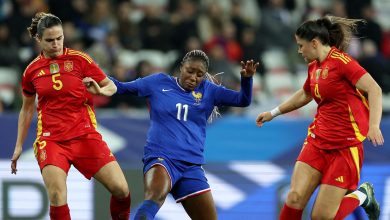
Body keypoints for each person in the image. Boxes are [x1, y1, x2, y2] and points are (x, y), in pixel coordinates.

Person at [85, 50, 259, 219]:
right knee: (155, 197)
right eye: (190, 71)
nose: (193, 78)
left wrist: (247, 79)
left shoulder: (209, 90)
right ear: (181, 67)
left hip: (191, 166)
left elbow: (242, 100)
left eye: (199, 75)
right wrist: (98, 78)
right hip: (162, 159)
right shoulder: (158, 82)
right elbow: (122, 87)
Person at [256, 15, 384, 220]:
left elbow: (374, 90)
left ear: (314, 43)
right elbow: (306, 94)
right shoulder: (314, 66)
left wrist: (374, 125)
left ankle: (362, 195)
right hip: (317, 141)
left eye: (301, 46)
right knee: (295, 197)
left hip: (344, 148)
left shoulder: (343, 63)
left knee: (321, 217)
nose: (299, 51)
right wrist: (273, 113)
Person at [10, 12, 131, 220]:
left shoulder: (80, 60)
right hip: (51, 139)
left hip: (84, 135)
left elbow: (110, 86)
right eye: (50, 40)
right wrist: (19, 145)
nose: (56, 44)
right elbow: (27, 108)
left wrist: (99, 92)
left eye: (59, 38)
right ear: (38, 40)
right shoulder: (31, 71)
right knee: (57, 195)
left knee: (121, 190)